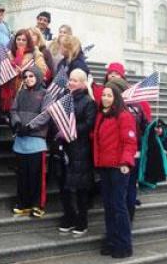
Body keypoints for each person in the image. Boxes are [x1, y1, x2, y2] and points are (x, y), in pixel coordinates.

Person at [93, 84, 137, 259]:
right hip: (105, 166)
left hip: (119, 167)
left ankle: (124, 244)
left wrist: (126, 162)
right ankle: (111, 240)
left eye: (109, 95)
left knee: (119, 206)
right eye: (103, 95)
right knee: (109, 206)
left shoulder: (124, 116)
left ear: (116, 98)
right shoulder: (101, 116)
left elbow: (130, 141)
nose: (105, 98)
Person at [57, 69, 96, 236]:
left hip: (80, 149)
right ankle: (69, 217)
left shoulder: (88, 102)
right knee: (64, 186)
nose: (70, 82)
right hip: (63, 148)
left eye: (74, 80)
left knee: (80, 189)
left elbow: (89, 124)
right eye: (70, 80)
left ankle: (82, 221)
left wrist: (70, 131)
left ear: (82, 83)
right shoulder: (64, 98)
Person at [10, 66, 51, 218]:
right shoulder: (20, 93)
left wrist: (30, 127)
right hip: (21, 141)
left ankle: (37, 204)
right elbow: (13, 110)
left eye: (32, 76)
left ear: (38, 77)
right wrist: (18, 124)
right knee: (22, 175)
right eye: (26, 77)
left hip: (36, 142)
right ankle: (23, 203)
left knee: (36, 176)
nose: (28, 79)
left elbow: (46, 114)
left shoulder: (45, 94)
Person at [0, 29, 47, 114]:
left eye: (24, 40)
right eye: (18, 39)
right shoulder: (10, 53)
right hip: (11, 91)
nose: (21, 42)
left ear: (28, 41)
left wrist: (25, 72)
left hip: (27, 92)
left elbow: (43, 71)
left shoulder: (35, 53)